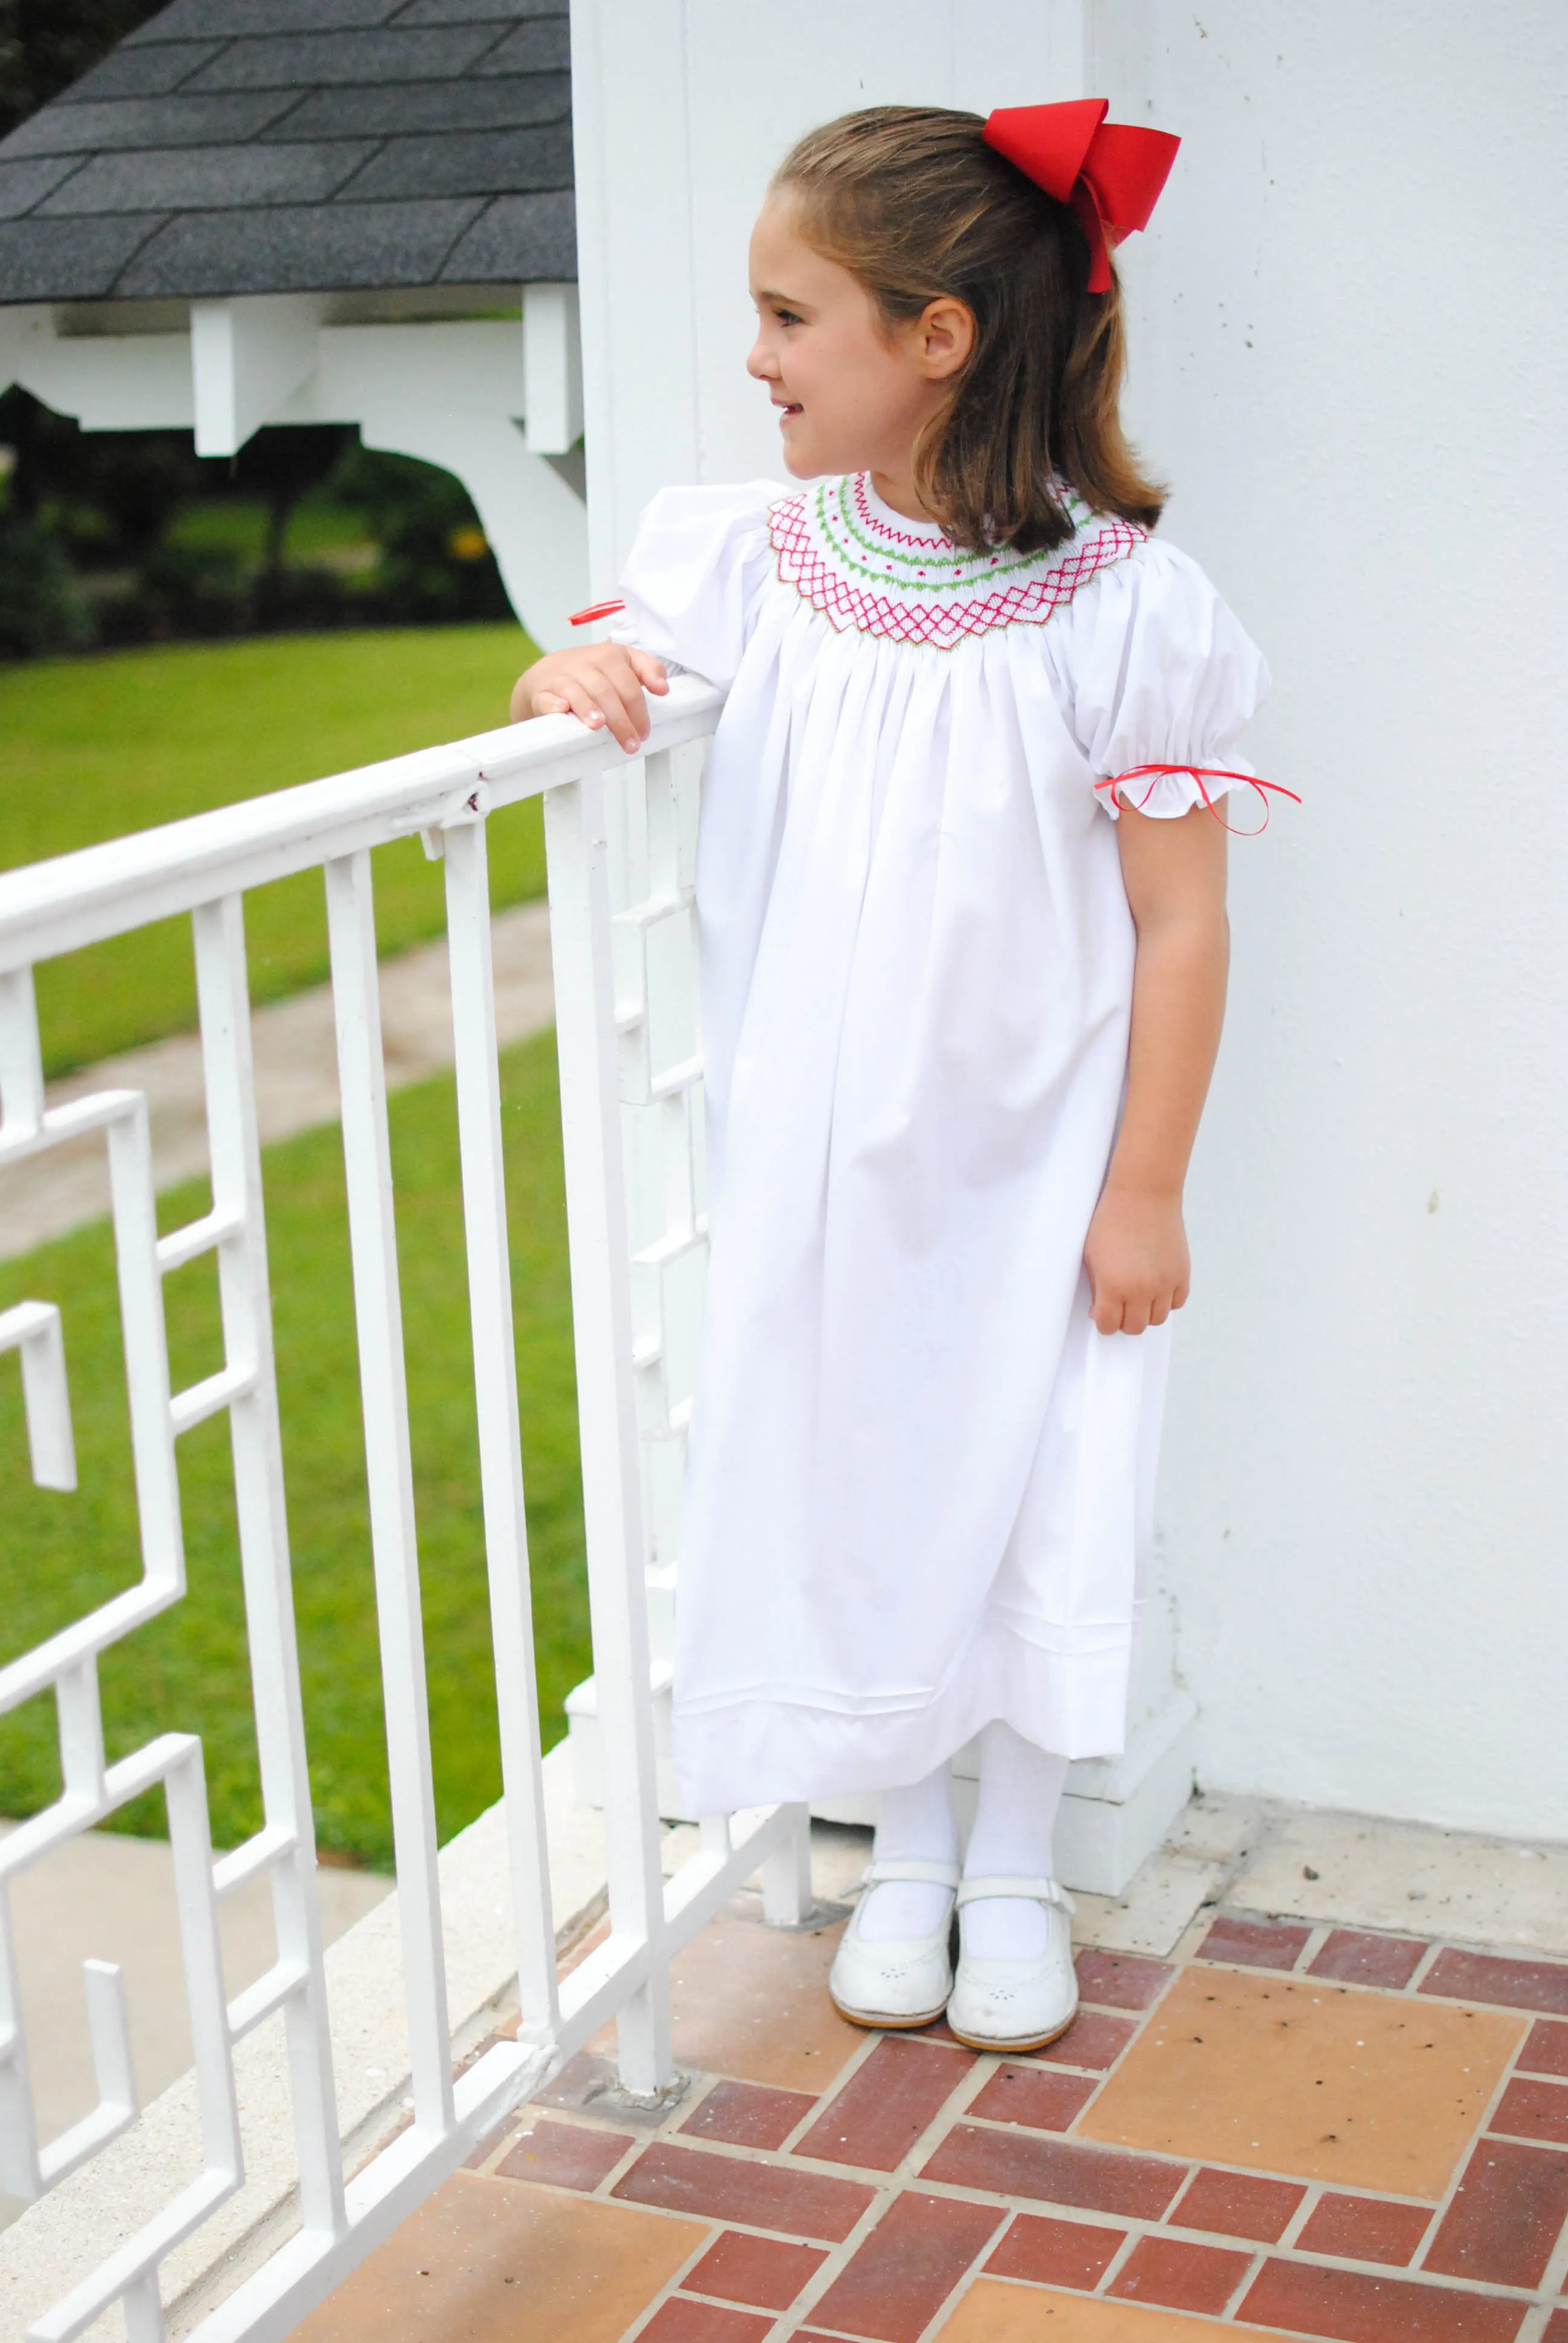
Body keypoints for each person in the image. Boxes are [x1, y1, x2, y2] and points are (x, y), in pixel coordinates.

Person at [511, 101, 1285, 2053]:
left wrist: (1145, 1187)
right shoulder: (761, 561)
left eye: (790, 318)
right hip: (830, 1158)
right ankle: (911, 1836)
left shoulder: (1117, 607)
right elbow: (601, 656)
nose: (753, 359)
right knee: (871, 1471)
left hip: (1043, 1152)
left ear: (936, 336)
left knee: (1035, 1476)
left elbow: (1181, 925)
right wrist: (567, 676)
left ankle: (1017, 1851)